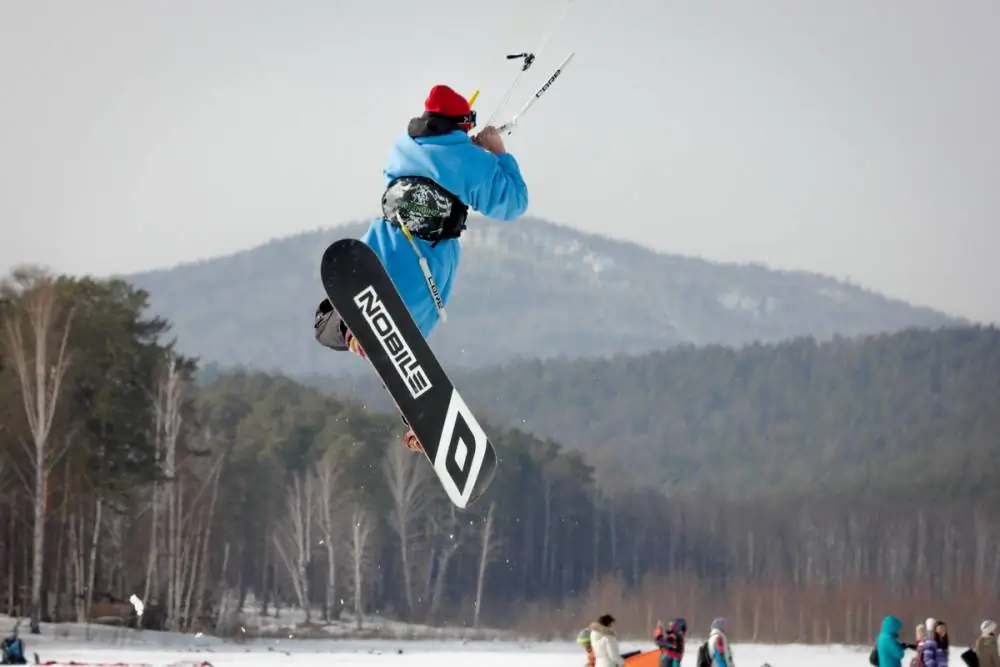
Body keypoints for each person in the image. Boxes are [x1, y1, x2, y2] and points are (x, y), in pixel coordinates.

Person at [314, 83, 529, 452]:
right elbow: (513, 203)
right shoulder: (473, 161)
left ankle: (349, 330)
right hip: (422, 274)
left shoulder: (403, 146)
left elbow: (438, 162)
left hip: (377, 257)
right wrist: (498, 154)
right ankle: (422, 423)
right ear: (462, 123)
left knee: (327, 324)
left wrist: (468, 151)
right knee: (404, 357)